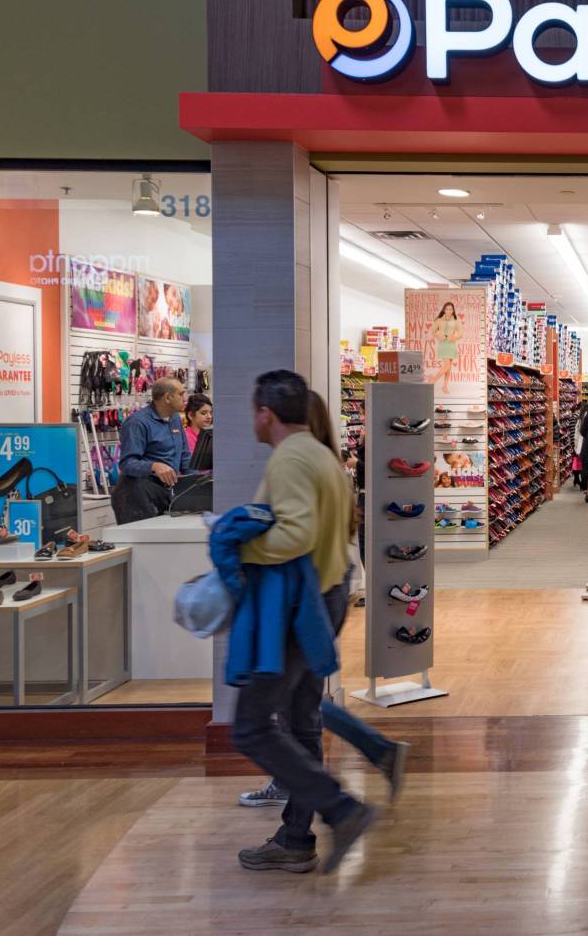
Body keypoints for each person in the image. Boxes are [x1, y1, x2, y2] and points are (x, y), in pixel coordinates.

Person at [230, 370, 380, 875]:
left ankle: (341, 809)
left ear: (265, 413)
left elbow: (294, 535)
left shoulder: (293, 456)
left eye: (253, 411)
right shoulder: (322, 455)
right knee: (301, 717)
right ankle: (296, 837)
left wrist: (240, 544)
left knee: (252, 725)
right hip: (327, 591)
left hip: (300, 602)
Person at [111, 377, 190, 524]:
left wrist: (199, 483)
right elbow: (127, 463)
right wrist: (154, 466)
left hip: (164, 492)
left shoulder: (175, 419)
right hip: (135, 496)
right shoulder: (138, 423)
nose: (185, 398)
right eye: (181, 393)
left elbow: (184, 456)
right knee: (143, 544)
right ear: (167, 397)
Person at [431, 301, 462, 395]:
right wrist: (440, 336)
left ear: (453, 310)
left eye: (451, 309)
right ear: (444, 309)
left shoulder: (456, 321)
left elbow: (461, 334)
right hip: (443, 345)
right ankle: (432, 381)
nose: (449, 310)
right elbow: (433, 332)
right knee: (447, 366)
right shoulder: (439, 320)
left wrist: (454, 337)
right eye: (447, 309)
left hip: (452, 345)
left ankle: (444, 386)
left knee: (449, 368)